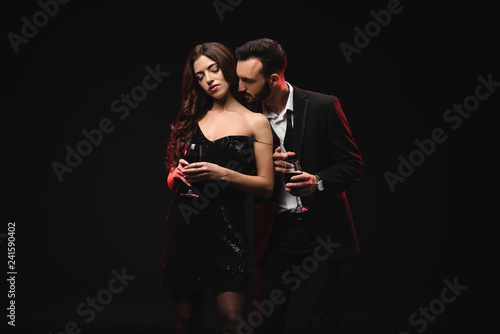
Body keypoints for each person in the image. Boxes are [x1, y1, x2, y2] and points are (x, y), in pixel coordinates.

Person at [235, 38, 365, 333]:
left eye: (247, 80)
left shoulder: (323, 106)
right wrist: (263, 164)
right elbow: (238, 171)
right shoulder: (245, 118)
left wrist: (317, 183)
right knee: (267, 320)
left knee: (321, 319)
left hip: (322, 231)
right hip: (273, 233)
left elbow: (353, 164)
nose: (240, 87)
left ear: (274, 79)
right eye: (238, 79)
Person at [159, 42, 274, 334]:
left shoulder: (256, 122)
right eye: (200, 76)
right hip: (185, 228)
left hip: (228, 232)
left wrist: (222, 173)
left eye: (214, 69)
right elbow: (172, 177)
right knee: (186, 321)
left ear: (228, 68)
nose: (209, 79)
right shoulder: (191, 118)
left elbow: (266, 187)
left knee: (232, 322)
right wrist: (176, 175)